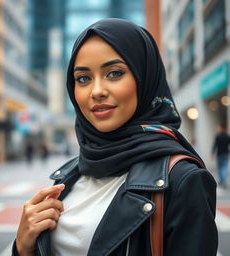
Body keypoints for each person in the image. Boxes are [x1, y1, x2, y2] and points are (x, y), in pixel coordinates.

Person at [13, 18, 218, 256]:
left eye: (114, 73)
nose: (97, 90)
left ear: (144, 78)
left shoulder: (183, 181)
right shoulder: (69, 175)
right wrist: (23, 247)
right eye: (83, 78)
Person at [212, 124, 230, 189]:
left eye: (219, 128)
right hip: (226, 154)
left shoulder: (218, 136)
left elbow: (215, 145)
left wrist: (212, 154)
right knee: (224, 167)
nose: (218, 129)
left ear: (222, 128)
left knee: (220, 168)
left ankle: (222, 180)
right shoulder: (227, 136)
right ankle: (223, 180)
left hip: (219, 154)